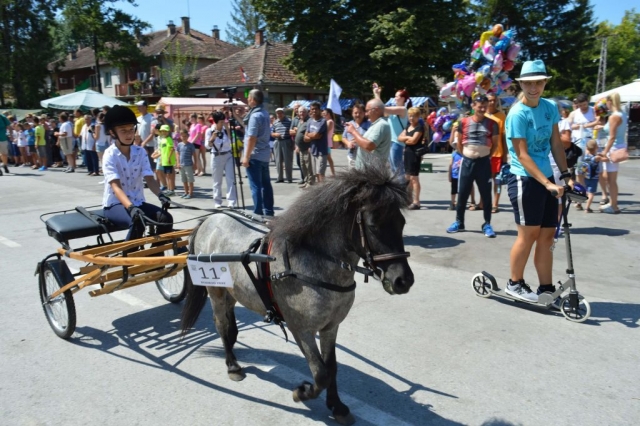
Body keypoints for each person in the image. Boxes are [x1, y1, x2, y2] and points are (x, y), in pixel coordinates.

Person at [504, 60, 574, 303]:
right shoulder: (517, 114)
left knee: (547, 236)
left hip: (547, 179)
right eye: (528, 83)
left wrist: (565, 175)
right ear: (521, 84)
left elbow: (556, 143)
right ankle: (514, 283)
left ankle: (545, 288)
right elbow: (522, 155)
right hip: (524, 179)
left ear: (544, 83)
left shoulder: (549, 107)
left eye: (538, 82)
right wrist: (547, 183)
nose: (533, 87)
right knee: (528, 234)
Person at [101, 105, 172, 241]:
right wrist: (130, 207)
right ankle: (128, 258)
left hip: (137, 203)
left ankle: (155, 255)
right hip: (115, 205)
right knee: (138, 221)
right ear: (112, 132)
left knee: (165, 218)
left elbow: (150, 179)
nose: (129, 134)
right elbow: (115, 187)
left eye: (131, 130)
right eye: (123, 131)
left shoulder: (140, 152)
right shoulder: (109, 154)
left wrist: (161, 195)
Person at [446, 94, 498, 237]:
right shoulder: (463, 122)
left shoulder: (493, 124)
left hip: (484, 162)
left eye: (485, 106)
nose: (482, 109)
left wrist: (486, 155)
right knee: (462, 193)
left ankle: (487, 223)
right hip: (467, 161)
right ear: (473, 106)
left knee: (486, 195)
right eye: (480, 106)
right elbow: (459, 143)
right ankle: (459, 222)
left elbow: (495, 144)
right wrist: (466, 155)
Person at [235, 89, 274, 217]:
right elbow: (248, 128)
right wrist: (236, 116)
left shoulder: (254, 115)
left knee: (256, 186)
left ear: (253, 99)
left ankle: (257, 212)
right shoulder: (263, 113)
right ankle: (268, 211)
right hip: (263, 154)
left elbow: (251, 137)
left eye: (249, 98)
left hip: (254, 155)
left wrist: (246, 156)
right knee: (266, 185)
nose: (247, 100)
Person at [597, 91, 627, 214]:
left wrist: (604, 152)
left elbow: (612, 137)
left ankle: (614, 205)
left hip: (613, 148)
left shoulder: (615, 116)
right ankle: (613, 203)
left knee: (611, 179)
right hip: (617, 146)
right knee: (610, 178)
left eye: (606, 103)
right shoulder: (622, 114)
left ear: (610, 102)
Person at [568, 93, 597, 210]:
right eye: (580, 105)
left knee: (591, 174)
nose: (583, 107)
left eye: (585, 104)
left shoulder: (593, 111)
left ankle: (590, 196)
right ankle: (580, 198)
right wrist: (574, 126)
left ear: (588, 102)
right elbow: (568, 124)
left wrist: (585, 125)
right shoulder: (574, 113)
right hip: (578, 147)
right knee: (579, 173)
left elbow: (600, 122)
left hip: (591, 147)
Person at [374, 85, 409, 180]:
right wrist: (377, 94)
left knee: (397, 169)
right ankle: (397, 189)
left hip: (397, 143)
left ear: (402, 98)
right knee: (393, 169)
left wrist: (377, 94)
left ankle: (402, 190)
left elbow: (383, 108)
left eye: (397, 96)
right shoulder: (395, 109)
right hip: (390, 142)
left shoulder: (402, 109)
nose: (395, 98)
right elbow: (381, 110)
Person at [345, 98, 391, 170]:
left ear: (376, 110)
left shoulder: (381, 125)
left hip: (371, 173)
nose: (366, 114)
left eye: (367, 111)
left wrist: (353, 131)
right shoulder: (376, 124)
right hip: (368, 171)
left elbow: (369, 146)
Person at [207, 111, 237, 208]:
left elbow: (231, 141)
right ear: (215, 122)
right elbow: (207, 146)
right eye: (220, 122)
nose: (222, 123)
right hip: (216, 156)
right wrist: (213, 137)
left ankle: (231, 201)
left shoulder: (225, 129)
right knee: (217, 181)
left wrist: (227, 128)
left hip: (228, 155)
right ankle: (217, 201)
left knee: (230, 179)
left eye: (223, 121)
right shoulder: (209, 131)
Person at [398, 107, 425, 209]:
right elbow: (399, 138)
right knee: (407, 178)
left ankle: (416, 201)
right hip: (407, 154)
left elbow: (413, 141)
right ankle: (408, 199)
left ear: (418, 117)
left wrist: (406, 139)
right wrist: (407, 139)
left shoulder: (419, 128)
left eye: (413, 116)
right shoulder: (408, 126)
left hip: (415, 154)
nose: (411, 118)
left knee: (414, 178)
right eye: (410, 116)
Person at [485, 93, 507, 213]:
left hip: (497, 153)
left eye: (494, 100)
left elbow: (504, 137)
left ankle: (495, 203)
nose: (492, 103)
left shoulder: (502, 116)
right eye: (489, 100)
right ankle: (483, 202)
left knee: (497, 180)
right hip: (484, 153)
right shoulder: (482, 115)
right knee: (484, 180)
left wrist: (505, 155)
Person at [303, 101, 328, 186]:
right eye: (312, 109)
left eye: (316, 109)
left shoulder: (323, 121)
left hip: (321, 151)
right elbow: (305, 138)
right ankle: (319, 191)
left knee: (320, 173)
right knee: (316, 173)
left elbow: (316, 134)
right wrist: (312, 136)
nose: (314, 111)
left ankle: (323, 191)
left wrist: (311, 135)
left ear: (319, 110)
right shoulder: (310, 121)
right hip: (313, 151)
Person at [342, 103, 370, 169]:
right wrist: (348, 143)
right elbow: (343, 137)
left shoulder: (369, 125)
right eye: (355, 113)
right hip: (352, 156)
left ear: (364, 113)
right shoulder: (349, 124)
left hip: (365, 157)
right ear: (352, 114)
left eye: (360, 113)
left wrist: (358, 139)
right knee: (353, 177)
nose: (358, 115)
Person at [580, 140, 603, 213]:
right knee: (591, 193)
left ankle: (578, 203)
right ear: (596, 147)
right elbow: (605, 159)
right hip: (594, 178)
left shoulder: (586, 156)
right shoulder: (596, 158)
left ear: (587, 148)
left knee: (585, 191)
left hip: (586, 176)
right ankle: (587, 208)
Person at [272, 107, 293, 182]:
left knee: (288, 161)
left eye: (281, 113)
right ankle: (280, 177)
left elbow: (292, 131)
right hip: (277, 141)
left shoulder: (289, 121)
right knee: (278, 161)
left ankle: (289, 177)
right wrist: (275, 134)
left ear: (283, 113)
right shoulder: (275, 122)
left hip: (286, 141)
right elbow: (272, 132)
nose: (279, 114)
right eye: (278, 113)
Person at [291, 105, 309, 184]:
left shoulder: (309, 120)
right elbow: (290, 132)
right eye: (300, 112)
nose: (302, 113)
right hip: (298, 146)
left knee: (308, 165)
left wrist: (297, 130)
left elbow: (307, 132)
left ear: (307, 112)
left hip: (306, 147)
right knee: (300, 163)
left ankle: (309, 180)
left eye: (303, 112)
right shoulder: (297, 120)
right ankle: (304, 179)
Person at [157, 124, 176, 195]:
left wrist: (168, 158)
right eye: (162, 131)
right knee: (167, 175)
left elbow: (171, 149)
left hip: (168, 161)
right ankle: (169, 189)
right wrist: (161, 160)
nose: (164, 132)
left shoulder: (169, 139)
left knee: (169, 175)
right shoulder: (163, 140)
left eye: (165, 131)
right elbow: (162, 151)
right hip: (164, 161)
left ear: (168, 131)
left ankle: (171, 190)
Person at [176, 129, 195, 199]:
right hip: (181, 165)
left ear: (188, 136)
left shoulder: (190, 145)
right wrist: (177, 163)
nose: (184, 137)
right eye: (182, 136)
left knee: (190, 179)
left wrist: (195, 163)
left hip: (188, 164)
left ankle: (190, 193)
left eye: (185, 136)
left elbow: (194, 154)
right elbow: (177, 154)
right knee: (183, 179)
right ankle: (186, 192)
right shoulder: (179, 145)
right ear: (180, 137)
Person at [137, 100, 155, 167]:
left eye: (140, 106)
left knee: (151, 165)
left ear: (145, 107)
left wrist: (144, 142)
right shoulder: (138, 118)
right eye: (138, 106)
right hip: (140, 145)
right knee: (142, 165)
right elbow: (137, 132)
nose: (138, 108)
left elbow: (152, 133)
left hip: (150, 145)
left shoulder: (151, 118)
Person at [322, 108, 336, 177]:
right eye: (323, 114)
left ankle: (333, 173)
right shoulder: (327, 121)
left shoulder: (329, 121)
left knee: (327, 158)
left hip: (326, 142)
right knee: (328, 158)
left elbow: (325, 132)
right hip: (327, 141)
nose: (323, 115)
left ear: (329, 114)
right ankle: (333, 173)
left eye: (325, 114)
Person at [448, 144, 463, 210]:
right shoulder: (454, 154)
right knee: (453, 190)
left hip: (462, 176)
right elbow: (450, 165)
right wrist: (449, 174)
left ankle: (459, 203)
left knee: (461, 190)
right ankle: (452, 202)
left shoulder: (464, 154)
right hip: (454, 175)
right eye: (456, 146)